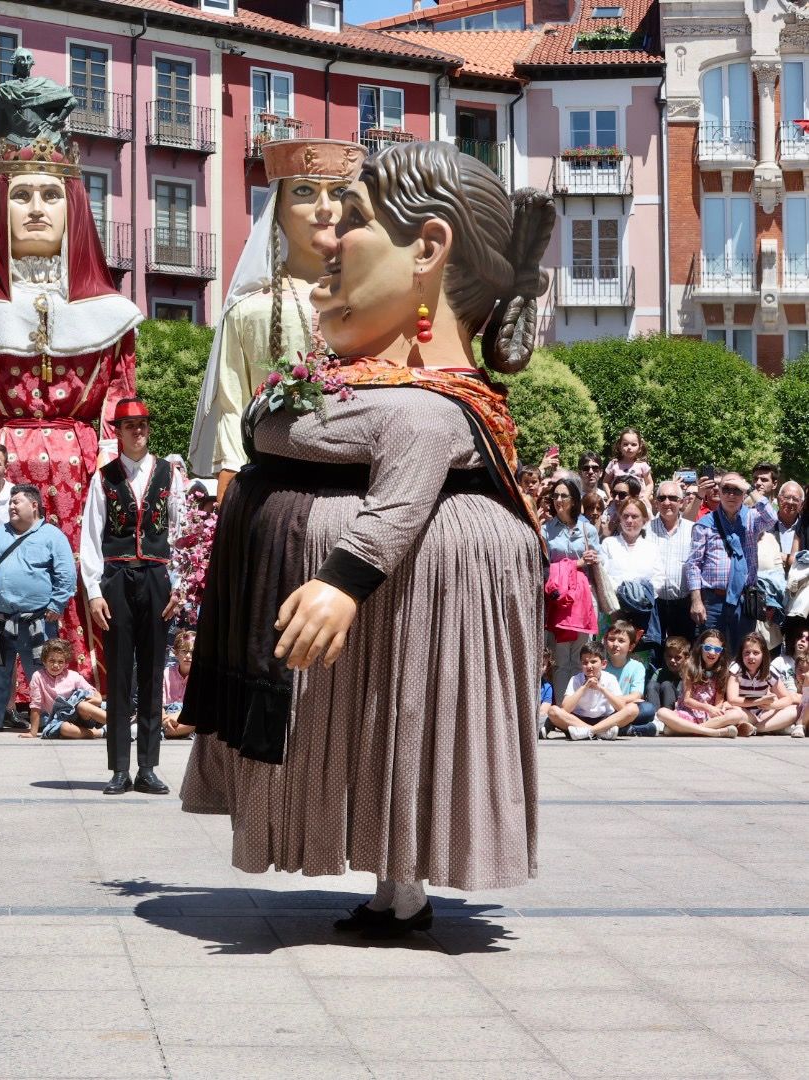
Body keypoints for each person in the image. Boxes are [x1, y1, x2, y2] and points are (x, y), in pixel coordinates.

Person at [182, 142, 552, 937]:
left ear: (427, 248)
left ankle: (407, 881)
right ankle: (392, 878)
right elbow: (274, 422)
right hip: (380, 594)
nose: (325, 239)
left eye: (354, 220)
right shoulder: (367, 386)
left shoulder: (435, 407)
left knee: (409, 716)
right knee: (382, 720)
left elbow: (405, 474)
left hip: (404, 589)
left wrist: (343, 579)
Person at [0, 106, 142, 680]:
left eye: (52, 194)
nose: (39, 209)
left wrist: (113, 462)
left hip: (83, 472)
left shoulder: (110, 317)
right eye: (22, 196)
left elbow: (121, 401)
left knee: (76, 565)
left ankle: (78, 678)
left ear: (73, 208)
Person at [190, 139, 366, 496]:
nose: (325, 208)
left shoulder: (374, 304)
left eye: (338, 192)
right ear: (278, 208)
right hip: (272, 488)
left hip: (359, 485)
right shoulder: (250, 311)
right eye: (305, 191)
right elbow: (231, 405)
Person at [82, 398, 183, 795]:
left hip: (158, 576)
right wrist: (93, 592)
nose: (137, 432)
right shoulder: (103, 478)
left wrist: (180, 587)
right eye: (128, 426)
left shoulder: (168, 474)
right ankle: (120, 768)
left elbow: (181, 532)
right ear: (118, 432)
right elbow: (90, 537)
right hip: (117, 578)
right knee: (120, 672)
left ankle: (148, 767)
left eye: (142, 425)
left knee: (154, 669)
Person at [0, 483, 76, 733]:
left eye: (17, 502)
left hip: (36, 622)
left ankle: (48, 720)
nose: (11, 506)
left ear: (34, 505)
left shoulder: (52, 536)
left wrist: (57, 603)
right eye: (10, 503)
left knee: (41, 671)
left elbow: (66, 574)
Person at [685, 472, 777, 654]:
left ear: (743, 493)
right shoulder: (705, 524)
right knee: (711, 655)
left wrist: (749, 488)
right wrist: (696, 600)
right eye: (726, 489)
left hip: (744, 601)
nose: (731, 494)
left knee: (743, 654)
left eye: (737, 490)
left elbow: (771, 518)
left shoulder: (752, 519)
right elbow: (693, 564)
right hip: (713, 602)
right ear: (719, 491)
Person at [543, 476, 601, 694]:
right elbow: (544, 567)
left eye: (563, 495)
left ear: (574, 500)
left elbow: (598, 562)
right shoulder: (545, 531)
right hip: (558, 600)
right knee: (559, 659)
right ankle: (561, 709)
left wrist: (594, 558)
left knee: (581, 658)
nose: (558, 499)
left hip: (582, 600)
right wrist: (576, 563)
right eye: (555, 495)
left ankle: (578, 709)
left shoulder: (588, 530)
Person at [654, 629, 748, 737]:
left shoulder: (722, 670)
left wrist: (716, 709)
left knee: (737, 714)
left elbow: (718, 702)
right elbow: (687, 700)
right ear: (701, 647)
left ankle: (687, 729)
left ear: (721, 651)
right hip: (688, 712)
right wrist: (707, 707)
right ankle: (713, 732)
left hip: (709, 716)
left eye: (717, 649)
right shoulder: (689, 666)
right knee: (662, 712)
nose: (712, 653)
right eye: (708, 648)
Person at [648, 479, 697, 666]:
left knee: (684, 655)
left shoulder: (693, 530)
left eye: (672, 498)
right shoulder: (646, 530)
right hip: (655, 604)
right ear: (655, 502)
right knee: (654, 652)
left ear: (682, 502)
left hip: (683, 603)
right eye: (662, 498)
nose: (667, 502)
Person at [22, 638, 106, 739]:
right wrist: (33, 733)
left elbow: (92, 690)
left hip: (83, 716)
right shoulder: (38, 676)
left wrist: (99, 699)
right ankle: (100, 732)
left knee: (82, 705)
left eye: (60, 662)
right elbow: (36, 706)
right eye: (51, 661)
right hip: (60, 719)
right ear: (44, 661)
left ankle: (120, 725)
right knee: (63, 729)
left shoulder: (72, 676)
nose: (56, 665)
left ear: (66, 663)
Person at [600, 495, 657, 631]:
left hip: (643, 611)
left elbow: (658, 578)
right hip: (614, 609)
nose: (629, 520)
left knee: (639, 652)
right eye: (625, 516)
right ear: (619, 518)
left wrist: (641, 596)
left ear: (644, 520)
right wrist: (623, 593)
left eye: (634, 516)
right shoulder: (609, 544)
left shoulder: (652, 548)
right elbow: (603, 576)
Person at [729, 631, 797, 734]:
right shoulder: (736, 668)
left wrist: (772, 706)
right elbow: (732, 699)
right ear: (741, 654)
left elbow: (787, 698)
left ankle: (756, 729)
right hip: (743, 712)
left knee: (794, 709)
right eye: (747, 653)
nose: (751, 657)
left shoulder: (769, 671)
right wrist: (759, 701)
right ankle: (768, 727)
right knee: (734, 713)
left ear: (763, 654)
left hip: (762, 714)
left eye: (756, 653)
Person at [603, 619, 660, 736]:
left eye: (621, 641)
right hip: (605, 708)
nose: (615, 644)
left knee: (648, 709)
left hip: (626, 708)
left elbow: (636, 695)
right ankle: (626, 729)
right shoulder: (601, 665)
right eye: (611, 639)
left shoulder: (637, 667)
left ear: (631, 646)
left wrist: (617, 700)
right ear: (605, 642)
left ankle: (611, 728)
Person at [163, 630, 196, 740]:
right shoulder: (166, 673)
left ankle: (166, 731)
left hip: (187, 716)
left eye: (192, 652)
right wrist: (166, 717)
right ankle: (172, 731)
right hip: (166, 713)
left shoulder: (200, 677)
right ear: (176, 653)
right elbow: (158, 703)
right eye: (184, 651)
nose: (188, 656)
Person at [605, 428, 653, 492]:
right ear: (619, 446)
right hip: (618, 500)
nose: (629, 447)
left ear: (640, 447)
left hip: (637, 501)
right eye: (625, 444)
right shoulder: (613, 464)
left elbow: (650, 484)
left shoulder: (643, 465)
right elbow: (605, 482)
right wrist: (610, 497)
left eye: (633, 445)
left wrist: (645, 497)